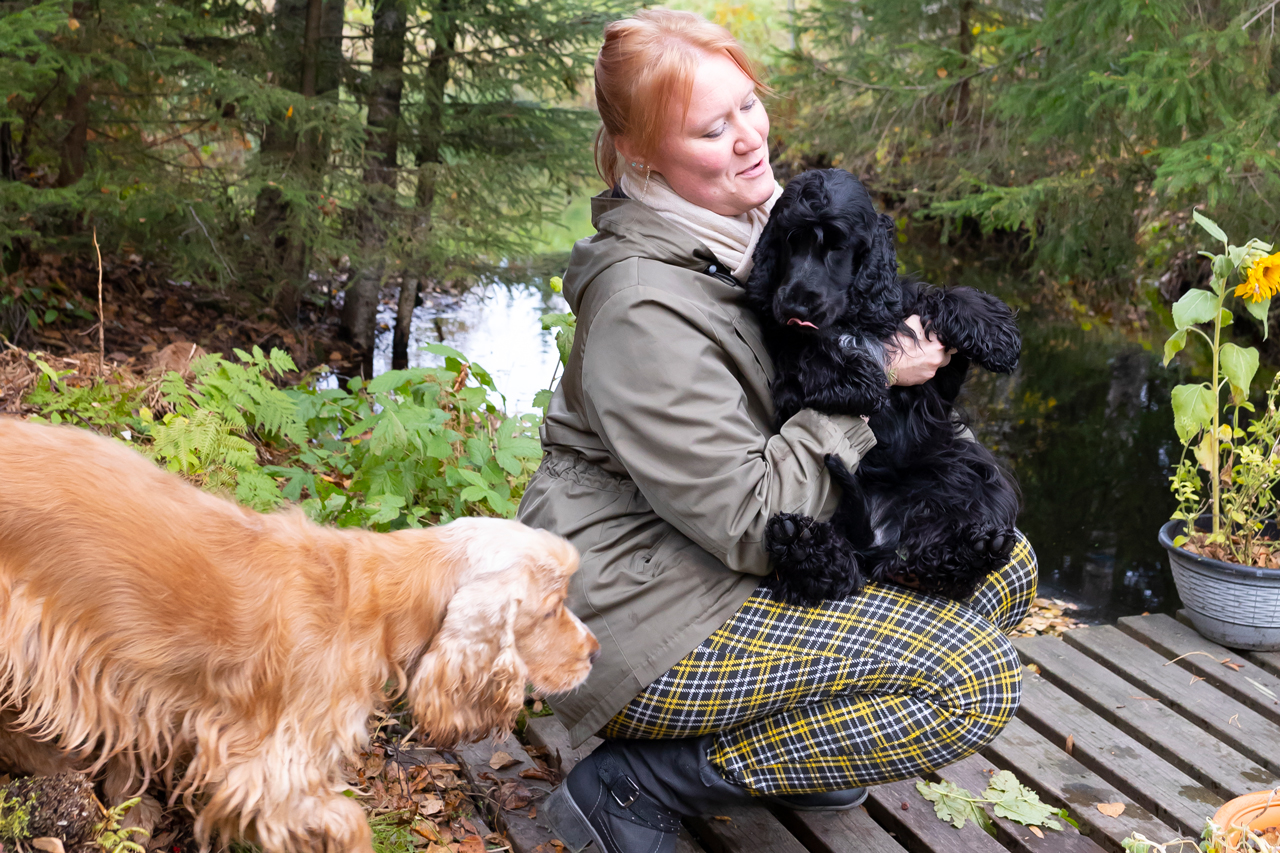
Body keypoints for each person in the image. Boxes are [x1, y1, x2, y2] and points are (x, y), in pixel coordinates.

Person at [516, 9, 1037, 853]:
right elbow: (751, 521)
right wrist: (871, 382)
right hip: (631, 609)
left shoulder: (748, 233)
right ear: (643, 154)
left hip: (704, 566)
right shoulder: (643, 307)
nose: (749, 139)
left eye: (748, 106)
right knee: (968, 680)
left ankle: (790, 746)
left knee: (1003, 562)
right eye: (711, 128)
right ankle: (635, 780)